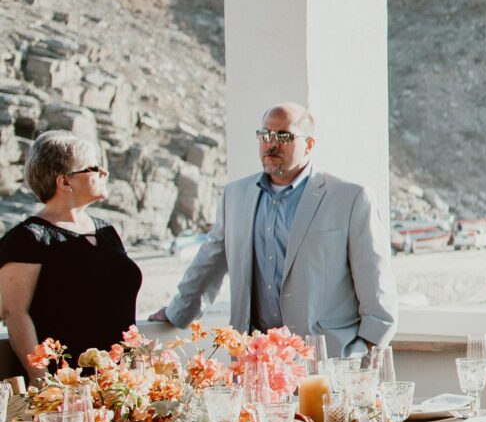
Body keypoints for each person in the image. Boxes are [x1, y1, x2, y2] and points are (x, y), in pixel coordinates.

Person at [151, 103, 395, 356]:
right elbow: (209, 263)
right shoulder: (236, 195)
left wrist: (365, 352)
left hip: (326, 360)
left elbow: (375, 282)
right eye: (265, 135)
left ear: (309, 144)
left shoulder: (350, 198)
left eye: (283, 136)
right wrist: (177, 312)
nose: (271, 144)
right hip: (255, 362)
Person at [1, 130, 141, 378]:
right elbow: (14, 313)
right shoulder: (27, 239)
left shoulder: (106, 231)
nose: (104, 173)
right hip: (66, 388)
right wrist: (44, 382)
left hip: (120, 384)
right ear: (64, 182)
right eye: (94, 167)